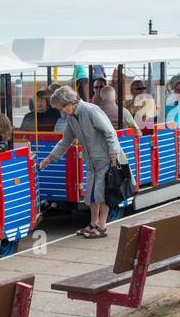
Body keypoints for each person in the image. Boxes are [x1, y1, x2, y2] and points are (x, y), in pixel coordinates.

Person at [37, 86, 127, 238]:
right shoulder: (72, 117)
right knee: (91, 193)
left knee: (103, 192)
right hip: (92, 161)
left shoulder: (90, 110)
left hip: (106, 158)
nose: (62, 111)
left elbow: (109, 132)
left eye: (62, 107)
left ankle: (102, 226)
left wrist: (113, 153)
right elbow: (66, 140)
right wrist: (50, 159)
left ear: (70, 102)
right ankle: (93, 223)